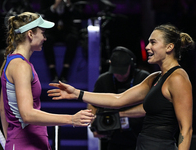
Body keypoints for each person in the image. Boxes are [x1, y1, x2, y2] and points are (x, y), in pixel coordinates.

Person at [48, 23, 195, 150]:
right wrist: (77, 93)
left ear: (169, 47)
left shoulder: (178, 78)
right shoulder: (155, 77)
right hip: (144, 144)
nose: (148, 47)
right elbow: (119, 99)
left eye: (153, 42)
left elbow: (186, 129)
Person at [0, 12, 95, 150]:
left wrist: (12, 140)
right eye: (42, 33)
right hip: (27, 144)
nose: (45, 38)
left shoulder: (13, 62)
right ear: (30, 34)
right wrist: (72, 119)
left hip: (26, 142)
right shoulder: (21, 66)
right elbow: (27, 114)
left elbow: (3, 109)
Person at [87, 46, 149, 150]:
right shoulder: (104, 80)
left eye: (122, 71)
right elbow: (92, 104)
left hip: (140, 136)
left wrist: (119, 115)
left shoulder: (143, 79)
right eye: (116, 71)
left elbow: (150, 107)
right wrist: (94, 125)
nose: (119, 75)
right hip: (114, 137)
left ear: (131, 66)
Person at [40, 0, 82, 82]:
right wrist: (55, 5)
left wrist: (69, 5)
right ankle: (53, 73)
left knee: (72, 39)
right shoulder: (47, 2)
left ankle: (64, 73)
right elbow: (43, 14)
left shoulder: (70, 2)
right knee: (46, 40)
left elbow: (79, 14)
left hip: (67, 30)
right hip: (52, 30)